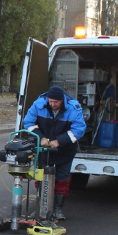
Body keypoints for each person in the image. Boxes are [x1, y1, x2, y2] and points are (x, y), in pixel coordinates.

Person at [22, 85, 86, 221]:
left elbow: (79, 129)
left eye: (55, 102)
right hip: (44, 150)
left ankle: (58, 208)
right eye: (50, 101)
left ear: (62, 100)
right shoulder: (38, 105)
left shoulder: (73, 108)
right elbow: (28, 122)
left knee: (62, 178)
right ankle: (41, 206)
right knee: (41, 177)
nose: (52, 104)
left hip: (65, 150)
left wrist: (59, 141)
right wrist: (41, 138)